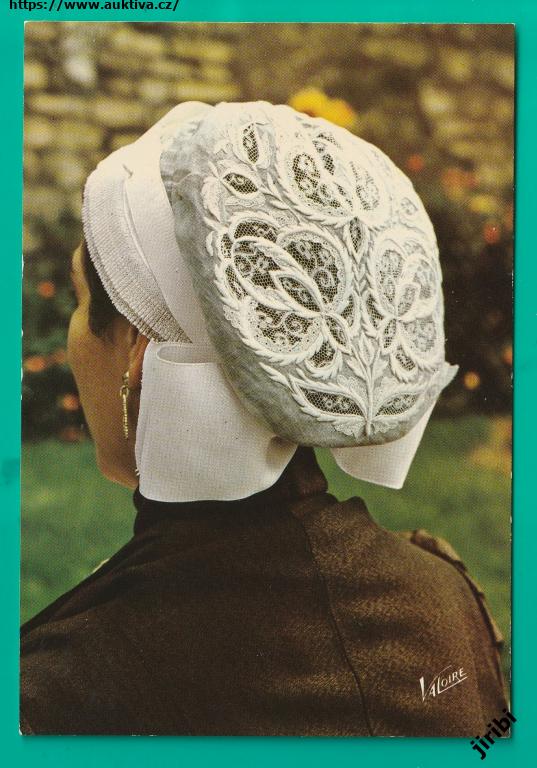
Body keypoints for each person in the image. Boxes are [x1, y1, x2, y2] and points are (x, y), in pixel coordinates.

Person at [20, 101, 507, 736]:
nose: (73, 334)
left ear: (138, 351)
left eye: (82, 301)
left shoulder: (60, 693)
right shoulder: (445, 601)